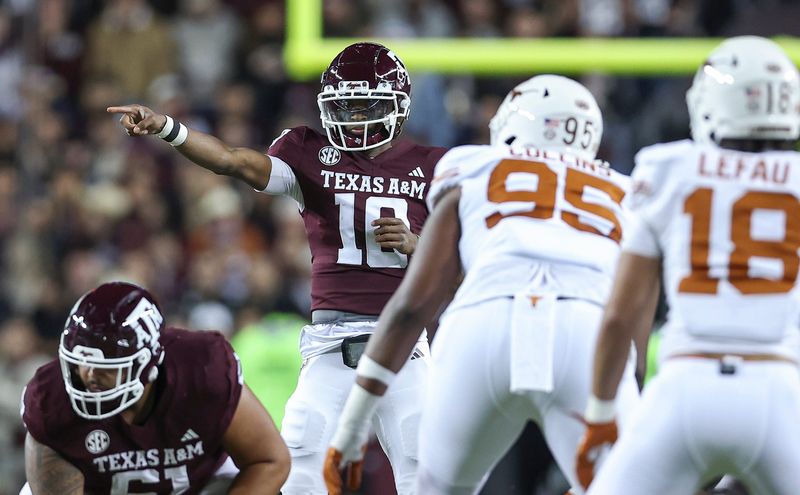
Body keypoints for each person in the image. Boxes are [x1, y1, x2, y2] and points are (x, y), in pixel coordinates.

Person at [108, 42, 447, 494]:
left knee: (427, 473)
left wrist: (417, 244)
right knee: (299, 473)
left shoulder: (437, 167)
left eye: (366, 105)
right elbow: (233, 160)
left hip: (406, 345)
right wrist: (168, 128)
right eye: (344, 106)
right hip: (332, 347)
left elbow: (470, 258)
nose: (354, 118)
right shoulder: (308, 154)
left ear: (398, 106)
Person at [323, 74, 641, 495]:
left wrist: (351, 428)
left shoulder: (473, 164)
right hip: (586, 330)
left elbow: (411, 305)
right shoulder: (626, 191)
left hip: (484, 321)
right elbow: (631, 324)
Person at [575, 35, 800, 494]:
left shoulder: (668, 168)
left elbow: (620, 316)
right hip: (778, 387)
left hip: (687, 383)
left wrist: (600, 417)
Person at [20, 281, 289, 494]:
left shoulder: (202, 372)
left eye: (107, 366)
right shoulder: (52, 401)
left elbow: (268, 461)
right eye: (81, 363)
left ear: (146, 363)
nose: (89, 375)